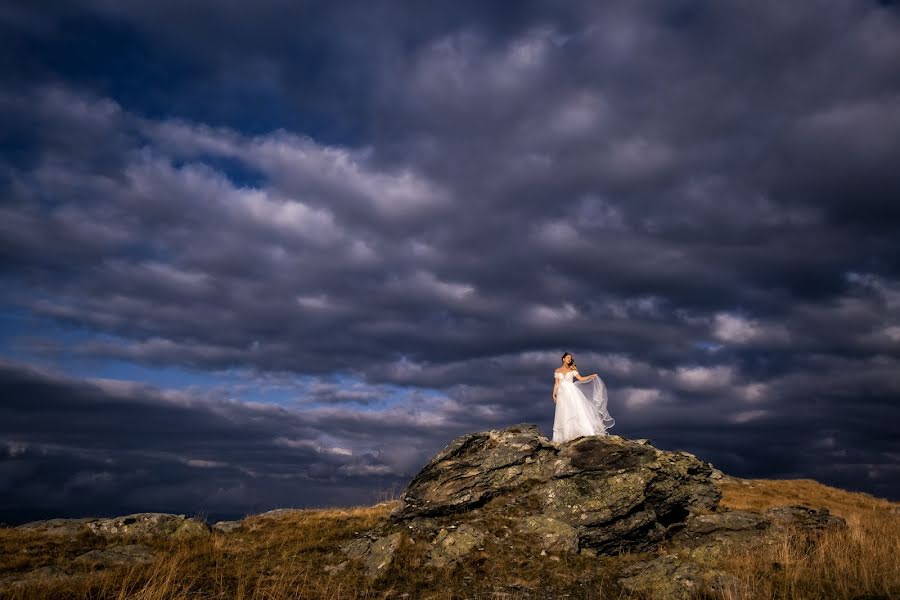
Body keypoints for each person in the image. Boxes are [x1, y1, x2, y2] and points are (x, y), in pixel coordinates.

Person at [551, 352, 615, 443]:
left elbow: (581, 379)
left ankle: (584, 432)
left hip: (571, 392)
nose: (569, 359)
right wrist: (554, 393)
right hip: (562, 393)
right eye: (568, 357)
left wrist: (591, 376)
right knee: (563, 412)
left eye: (570, 358)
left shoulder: (572, 370)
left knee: (575, 411)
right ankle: (564, 437)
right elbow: (556, 383)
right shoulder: (557, 371)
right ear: (563, 359)